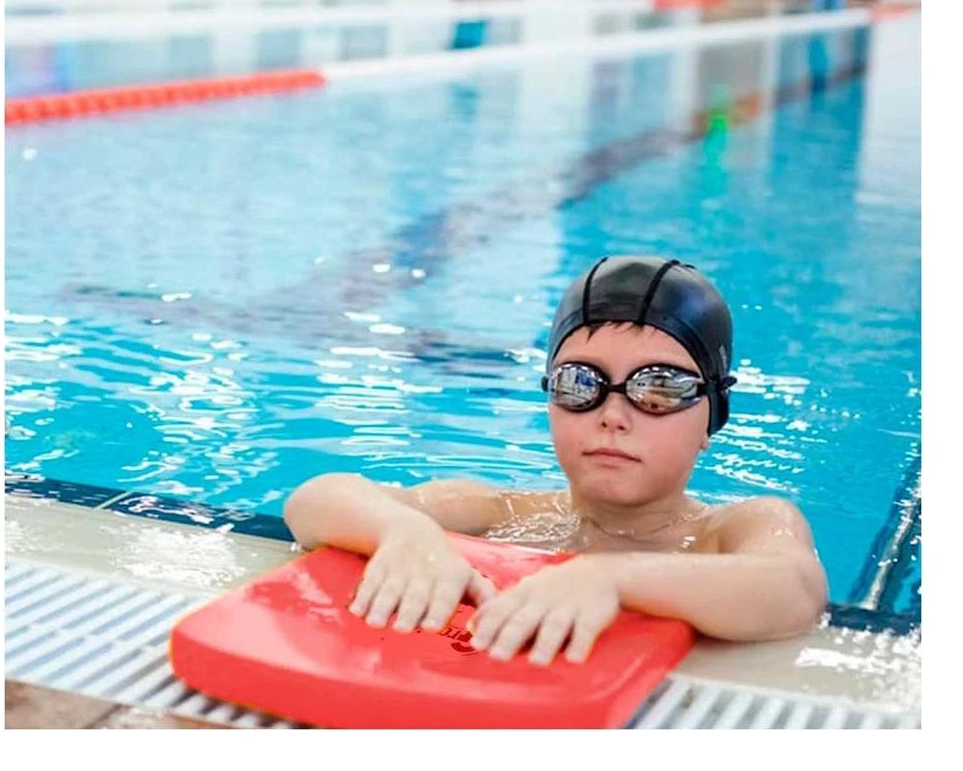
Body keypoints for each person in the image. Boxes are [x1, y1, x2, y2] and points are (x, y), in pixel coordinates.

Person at [285, 256, 828, 666]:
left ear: (711, 417)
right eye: (581, 382)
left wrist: (609, 578)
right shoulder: (505, 512)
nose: (613, 415)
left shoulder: (736, 528)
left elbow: (795, 589)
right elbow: (314, 499)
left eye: (659, 387)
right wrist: (404, 532)